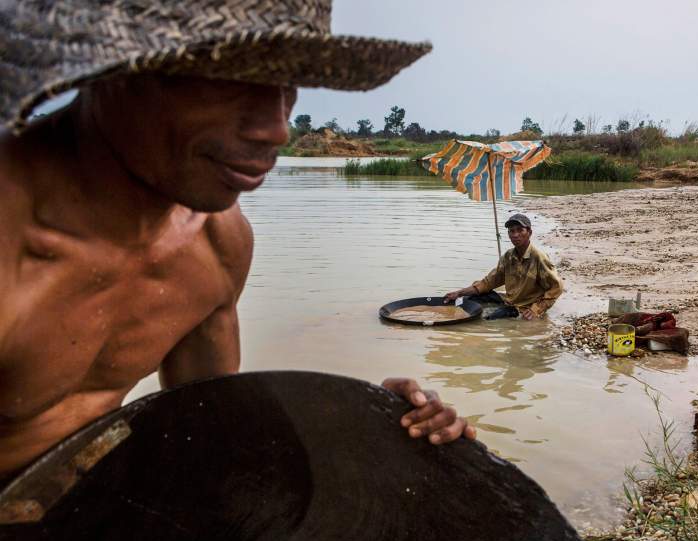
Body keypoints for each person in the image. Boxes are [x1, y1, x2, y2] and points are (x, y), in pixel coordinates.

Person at [0, 0, 474, 483]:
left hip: (91, 500)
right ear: (114, 73)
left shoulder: (216, 239)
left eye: (288, 87)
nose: (277, 129)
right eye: (229, 82)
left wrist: (367, 420)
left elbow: (213, 437)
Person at [444, 214, 564, 320]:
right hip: (508, 300)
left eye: (520, 230)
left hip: (522, 307)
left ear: (529, 232)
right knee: (469, 299)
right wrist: (459, 293)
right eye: (511, 231)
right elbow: (487, 283)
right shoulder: (508, 256)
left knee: (489, 319)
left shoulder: (538, 257)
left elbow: (557, 287)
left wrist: (536, 309)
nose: (515, 235)